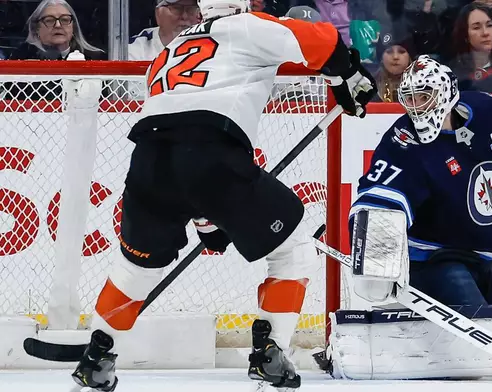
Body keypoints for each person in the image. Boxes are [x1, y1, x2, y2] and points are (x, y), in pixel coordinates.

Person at [70, 0, 376, 391]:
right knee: (293, 249)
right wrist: (348, 75)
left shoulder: (170, 49)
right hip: (211, 148)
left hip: (148, 159)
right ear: (242, 6)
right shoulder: (248, 26)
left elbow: (181, 117)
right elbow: (324, 39)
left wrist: (204, 216)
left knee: (135, 269)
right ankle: (271, 352)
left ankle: (97, 357)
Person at [350, 55, 492, 309]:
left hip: (491, 254)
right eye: (409, 98)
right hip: (436, 259)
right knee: (486, 333)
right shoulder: (404, 143)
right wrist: (376, 260)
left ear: (445, 94)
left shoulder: (491, 113)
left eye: (424, 96)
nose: (416, 106)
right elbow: (378, 202)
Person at [9, 0, 104, 60]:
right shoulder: (22, 57)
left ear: (73, 27)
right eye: (49, 20)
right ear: (36, 28)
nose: (58, 25)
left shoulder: (94, 58)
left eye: (65, 20)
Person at [448, 2, 492, 98]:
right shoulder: (453, 73)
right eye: (476, 27)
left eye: (489, 25)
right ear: (465, 35)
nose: (485, 33)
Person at [128, 0, 201, 61]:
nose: (185, 16)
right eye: (176, 8)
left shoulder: (208, 44)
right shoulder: (135, 51)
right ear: (157, 14)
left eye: (191, 9)